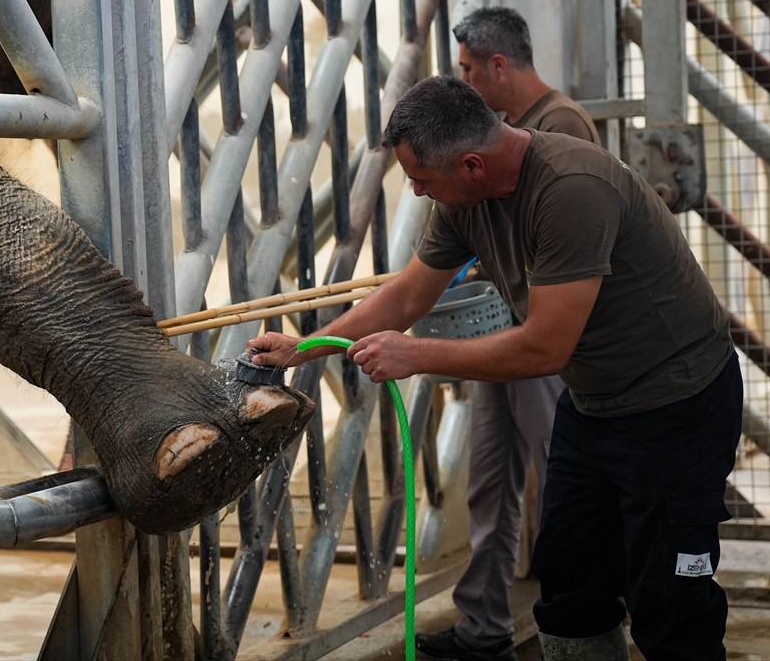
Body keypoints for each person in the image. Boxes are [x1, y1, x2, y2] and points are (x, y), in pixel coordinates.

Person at [248, 75, 742, 661]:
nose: (417, 192)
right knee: (569, 591)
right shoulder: (464, 199)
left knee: (670, 604)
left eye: (422, 180)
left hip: (677, 407)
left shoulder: (569, 188)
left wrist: (418, 356)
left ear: (473, 165)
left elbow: (544, 350)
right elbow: (408, 295)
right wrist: (307, 346)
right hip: (595, 406)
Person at [398, 7, 603, 661]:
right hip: (502, 335)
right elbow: (416, 282)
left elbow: (563, 257)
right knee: (491, 477)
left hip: (542, 341)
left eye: (465, 70)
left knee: (561, 475)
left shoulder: (557, 131)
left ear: (498, 65)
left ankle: (580, 622)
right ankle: (483, 622)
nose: (462, 82)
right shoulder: (488, 144)